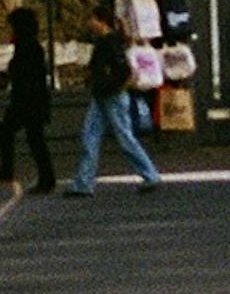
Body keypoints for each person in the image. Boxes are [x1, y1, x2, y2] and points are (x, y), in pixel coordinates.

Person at [63, 13, 161, 196]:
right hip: (103, 94)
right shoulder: (107, 41)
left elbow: (123, 70)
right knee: (91, 136)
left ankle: (150, 174)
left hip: (111, 95)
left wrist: (115, 86)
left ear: (101, 21)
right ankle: (83, 184)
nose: (88, 23)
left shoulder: (110, 43)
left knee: (120, 137)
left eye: (91, 19)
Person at [0, 5, 56, 192]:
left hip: (27, 101)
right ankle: (41, 176)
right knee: (29, 137)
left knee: (29, 138)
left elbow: (24, 74)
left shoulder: (28, 46)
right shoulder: (29, 44)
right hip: (30, 100)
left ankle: (44, 178)